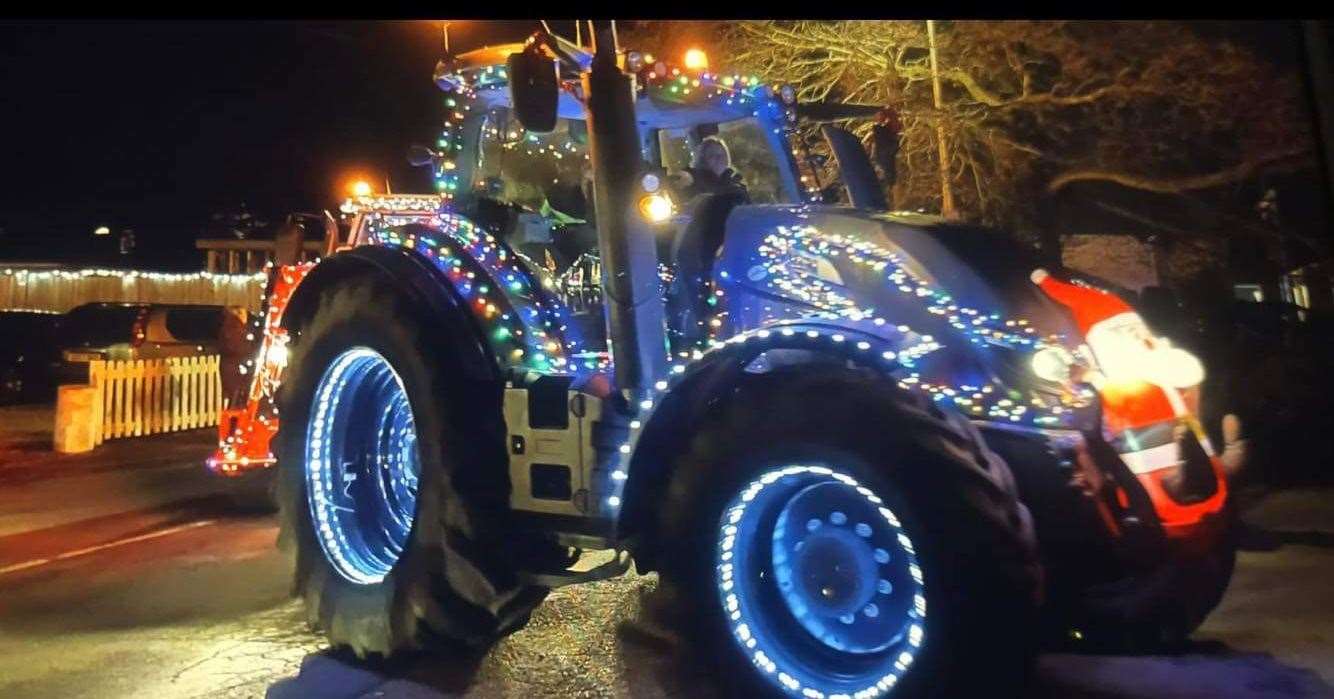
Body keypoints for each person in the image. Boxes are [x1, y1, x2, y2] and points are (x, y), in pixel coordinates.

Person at [672, 136, 748, 202]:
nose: (718, 158)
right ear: (703, 159)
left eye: (722, 154)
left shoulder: (736, 182)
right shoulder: (696, 179)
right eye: (712, 155)